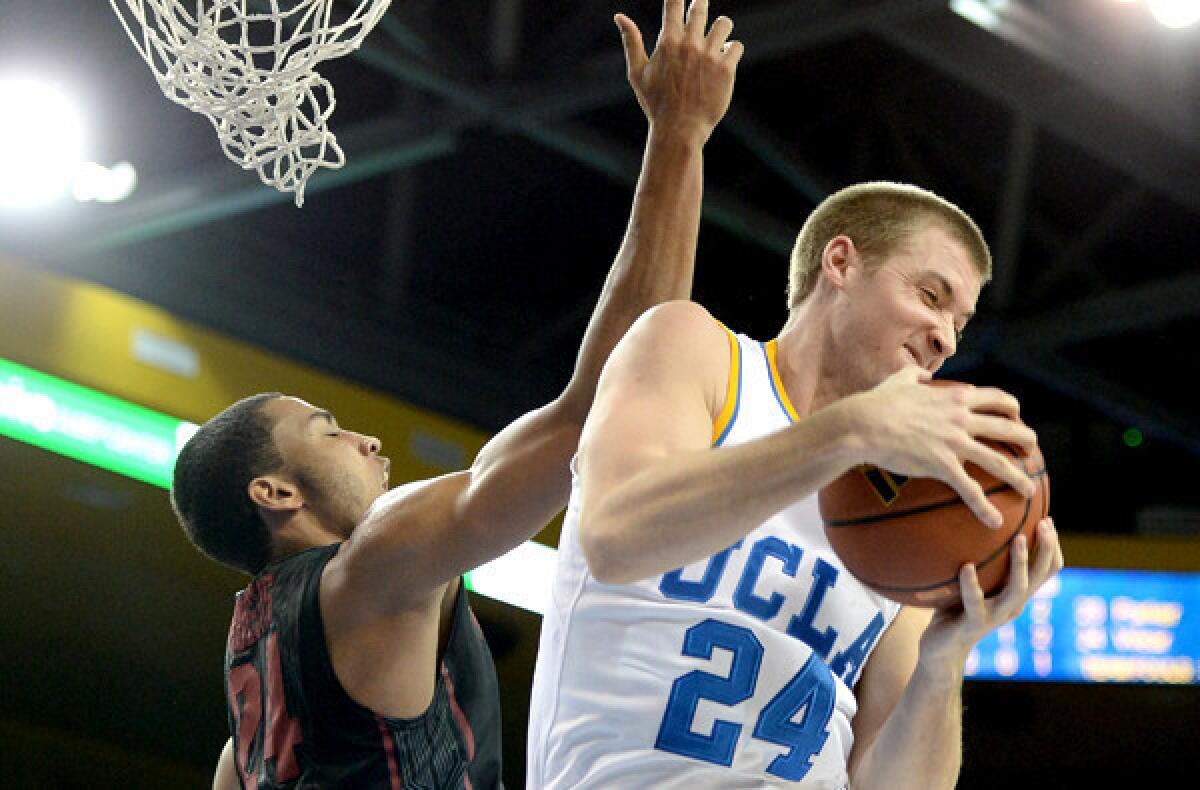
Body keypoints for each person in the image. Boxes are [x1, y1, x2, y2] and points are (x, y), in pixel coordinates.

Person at [177, 2, 745, 787]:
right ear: (273, 490)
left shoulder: (252, 681)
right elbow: (592, 412)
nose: (367, 441)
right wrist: (679, 136)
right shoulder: (374, 560)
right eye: (327, 429)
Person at [527, 181, 1066, 788]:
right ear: (840, 263)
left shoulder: (902, 509)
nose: (946, 338)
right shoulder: (701, 354)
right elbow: (614, 535)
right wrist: (848, 432)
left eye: (959, 322)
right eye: (930, 295)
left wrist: (945, 660)